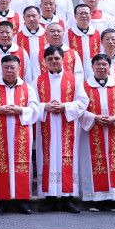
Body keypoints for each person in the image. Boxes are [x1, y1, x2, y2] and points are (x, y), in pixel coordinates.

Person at [0, 53, 41, 213]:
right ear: (1, 69)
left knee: (22, 165)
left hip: (21, 135)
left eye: (12, 67)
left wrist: (20, 110)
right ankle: (2, 200)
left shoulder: (27, 88)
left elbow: (36, 110)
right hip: (0, 135)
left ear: (19, 69)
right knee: (1, 165)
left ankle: (23, 201)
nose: (9, 71)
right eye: (5, 67)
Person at [34, 45, 88, 213]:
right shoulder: (37, 81)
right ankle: (49, 198)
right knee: (48, 158)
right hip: (46, 125)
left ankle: (68, 198)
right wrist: (45, 107)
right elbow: (31, 103)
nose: (53, 62)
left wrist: (65, 107)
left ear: (63, 60)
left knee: (67, 158)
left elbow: (83, 101)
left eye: (56, 58)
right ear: (44, 62)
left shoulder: (74, 80)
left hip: (67, 125)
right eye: (49, 59)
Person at [77, 53, 115, 211]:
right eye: (98, 64)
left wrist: (114, 119)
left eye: (104, 64)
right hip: (92, 131)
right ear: (92, 67)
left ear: (109, 67)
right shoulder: (84, 86)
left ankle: (114, 199)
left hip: (113, 130)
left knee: (114, 162)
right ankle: (96, 199)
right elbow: (79, 108)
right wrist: (94, 117)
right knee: (92, 162)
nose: (101, 67)